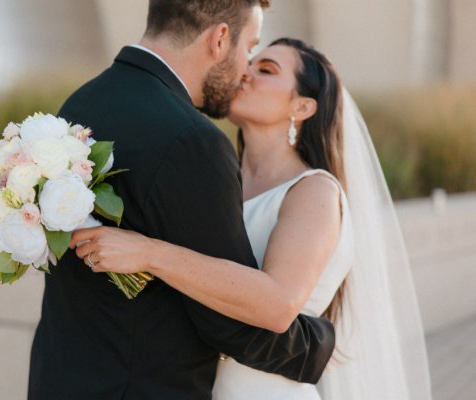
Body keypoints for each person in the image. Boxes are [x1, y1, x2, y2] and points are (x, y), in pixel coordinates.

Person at [72, 38, 432, 399]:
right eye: (250, 63)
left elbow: (278, 306)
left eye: (267, 70)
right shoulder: (220, 180)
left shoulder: (314, 192)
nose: (246, 73)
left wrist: (149, 254)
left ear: (303, 106)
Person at [27, 3, 336, 399]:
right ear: (220, 39)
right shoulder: (192, 142)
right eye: (249, 48)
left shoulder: (83, 102)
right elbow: (230, 322)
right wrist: (317, 343)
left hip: (60, 377)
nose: (246, 70)